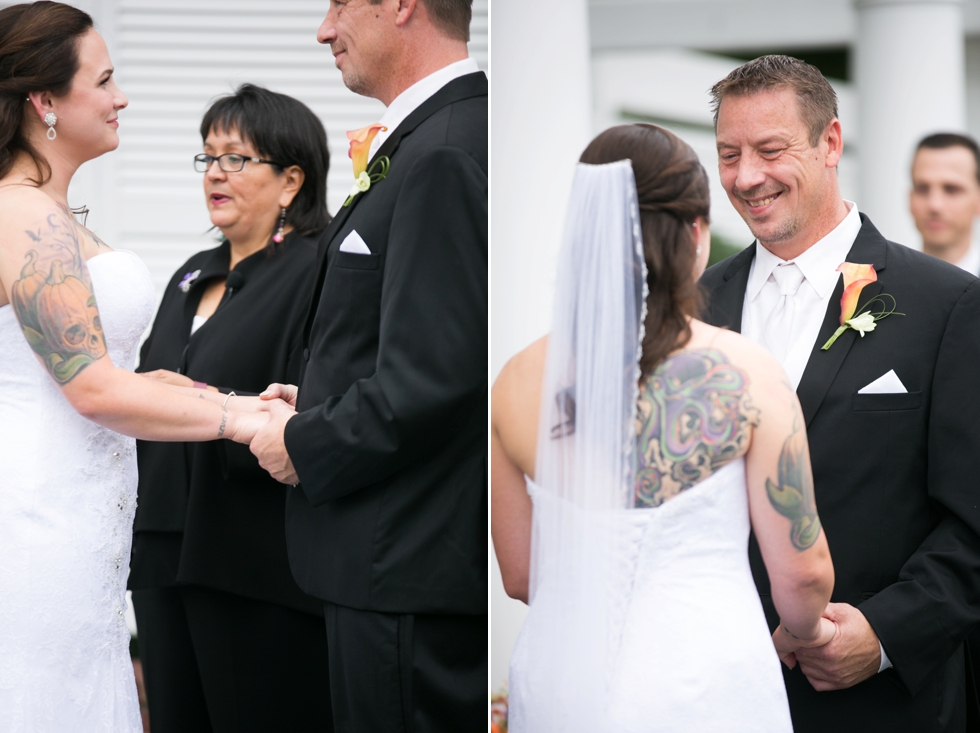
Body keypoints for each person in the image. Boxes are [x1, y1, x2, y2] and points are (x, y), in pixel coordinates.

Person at [492, 124, 836, 732]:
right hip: (704, 685)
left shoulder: (516, 380)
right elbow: (803, 573)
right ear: (696, 234)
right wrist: (805, 631)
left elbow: (521, 576)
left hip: (557, 687)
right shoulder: (749, 373)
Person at [0, 3, 272, 730]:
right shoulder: (23, 213)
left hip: (80, 516)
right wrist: (239, 419)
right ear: (45, 101)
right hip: (39, 514)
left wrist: (209, 392)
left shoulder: (51, 212)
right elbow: (89, 386)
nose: (121, 98)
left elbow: (96, 369)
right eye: (107, 80)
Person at [702, 54, 980, 732]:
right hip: (717, 690)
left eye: (770, 150)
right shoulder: (694, 308)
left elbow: (972, 520)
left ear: (830, 143)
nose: (745, 178)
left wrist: (884, 634)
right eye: (728, 154)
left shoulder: (947, 305)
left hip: (880, 704)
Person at [249, 0, 487, 728]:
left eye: (340, 4)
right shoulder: (427, 137)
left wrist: (300, 442)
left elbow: (435, 375)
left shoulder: (445, 147)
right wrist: (316, 397)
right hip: (386, 561)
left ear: (401, 6)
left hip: (405, 564)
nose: (324, 28)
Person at [128, 84, 333, 733]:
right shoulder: (193, 270)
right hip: (164, 543)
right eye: (207, 156)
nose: (215, 171)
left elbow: (316, 391)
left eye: (236, 157)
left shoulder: (315, 267)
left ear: (291, 178)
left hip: (252, 549)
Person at [909, 132, 980, 275]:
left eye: (951, 189)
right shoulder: (882, 287)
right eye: (923, 189)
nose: (935, 205)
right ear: (909, 198)